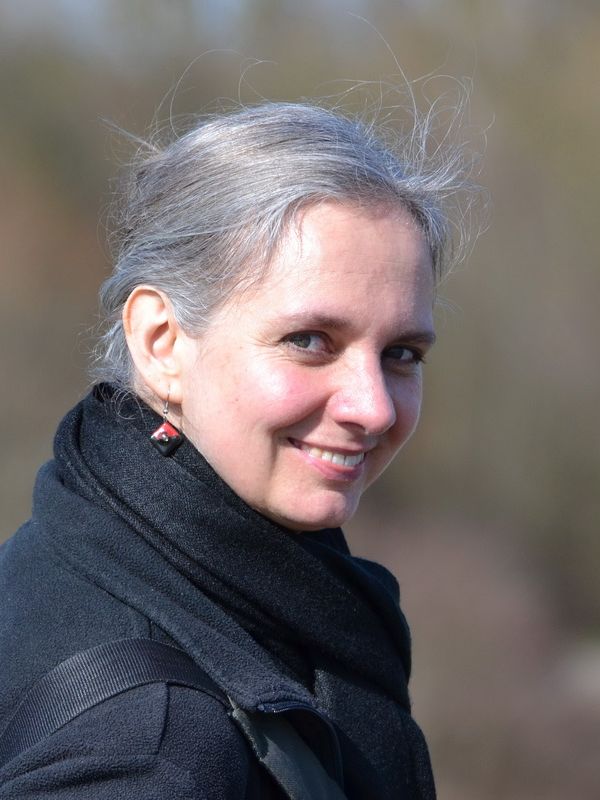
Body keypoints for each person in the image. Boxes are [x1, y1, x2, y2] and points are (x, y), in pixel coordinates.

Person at [0, 101, 471, 799]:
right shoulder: (150, 750)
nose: (373, 407)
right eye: (309, 341)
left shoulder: (87, 539)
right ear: (161, 342)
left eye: (401, 353)